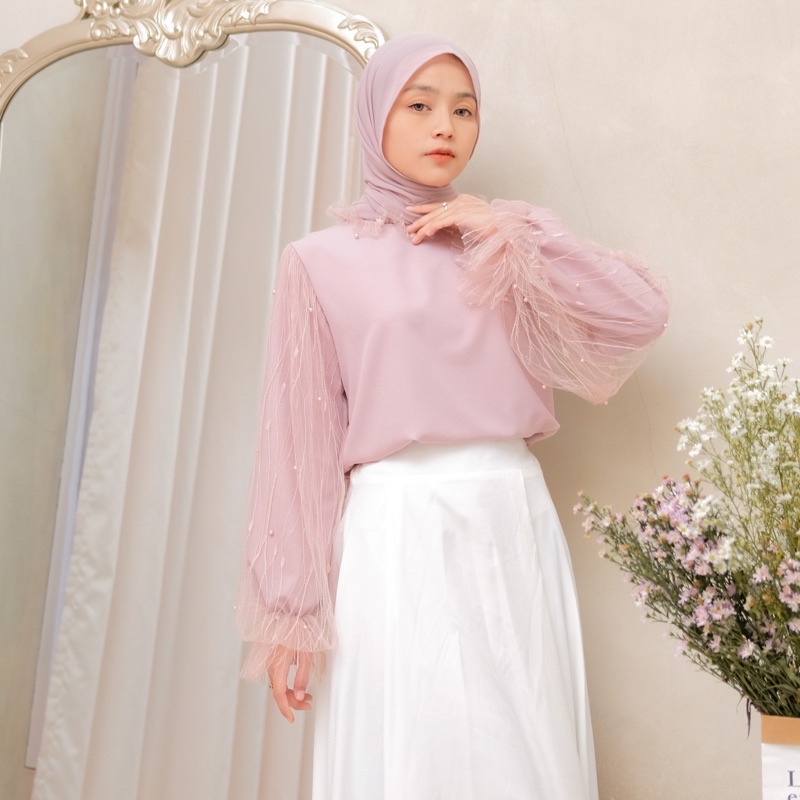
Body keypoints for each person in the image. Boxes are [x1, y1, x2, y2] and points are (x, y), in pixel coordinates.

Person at [236, 32, 669, 800]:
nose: (445, 126)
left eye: (464, 110)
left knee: (523, 750)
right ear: (376, 116)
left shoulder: (504, 246)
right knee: (414, 746)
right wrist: (290, 612)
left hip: (510, 515)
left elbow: (640, 314)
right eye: (420, 105)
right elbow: (298, 444)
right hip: (397, 527)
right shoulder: (319, 261)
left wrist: (513, 232)